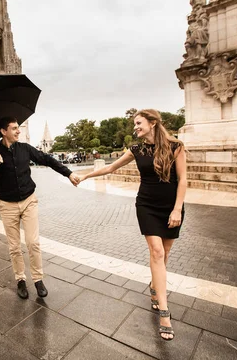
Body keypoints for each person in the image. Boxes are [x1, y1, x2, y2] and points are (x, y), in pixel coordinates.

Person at [79, 109, 187, 341]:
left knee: (165, 253)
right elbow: (110, 168)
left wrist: (177, 208)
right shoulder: (136, 150)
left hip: (171, 207)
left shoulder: (176, 146)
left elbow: (184, 179)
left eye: (138, 123)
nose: (135, 127)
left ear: (153, 123)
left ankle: (155, 286)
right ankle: (165, 314)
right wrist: (86, 176)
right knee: (157, 252)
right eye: (134, 124)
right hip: (146, 206)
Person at [0, 116, 81, 299]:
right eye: (14, 128)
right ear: (4, 131)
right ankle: (20, 279)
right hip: (7, 205)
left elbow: (47, 159)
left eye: (18, 127)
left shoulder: (25, 149)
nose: (18, 131)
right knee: (14, 247)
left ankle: (38, 279)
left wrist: (68, 173)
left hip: (28, 201)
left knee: (33, 242)